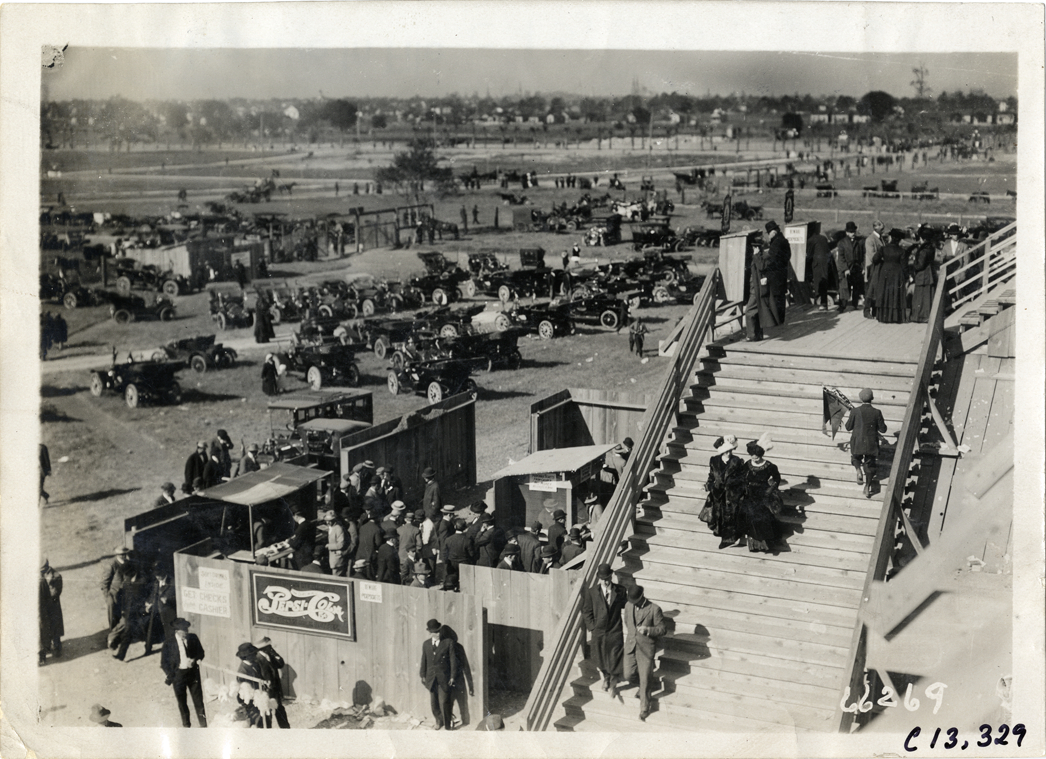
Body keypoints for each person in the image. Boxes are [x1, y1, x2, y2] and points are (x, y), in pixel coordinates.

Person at [621, 585, 665, 722]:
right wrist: (633, 636)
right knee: (628, 674)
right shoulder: (628, 605)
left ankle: (645, 708)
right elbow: (627, 622)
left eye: (636, 600)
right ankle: (643, 686)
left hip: (646, 649)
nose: (633, 603)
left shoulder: (654, 609)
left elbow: (662, 629)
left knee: (645, 678)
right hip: (630, 646)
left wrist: (648, 630)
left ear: (642, 596)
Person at [582, 563, 627, 696]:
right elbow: (586, 611)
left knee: (615, 657)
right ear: (598, 578)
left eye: (607, 578)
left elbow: (626, 605)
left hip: (614, 630)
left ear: (611, 576)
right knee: (599, 657)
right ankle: (606, 677)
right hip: (599, 631)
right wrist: (592, 627)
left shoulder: (620, 590)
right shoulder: (591, 592)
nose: (605, 581)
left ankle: (613, 682)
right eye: (603, 579)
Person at [160, 618, 207, 727]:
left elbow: (201, 653)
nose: (186, 633)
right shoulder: (169, 643)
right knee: (182, 703)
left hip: (193, 674)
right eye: (183, 631)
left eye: (187, 629)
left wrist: (194, 659)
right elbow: (164, 662)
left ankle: (204, 726)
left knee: (198, 701)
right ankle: (186, 726)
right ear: (177, 631)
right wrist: (171, 674)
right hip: (178, 676)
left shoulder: (193, 638)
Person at [704, 435, 747, 549]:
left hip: (731, 494)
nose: (729, 453)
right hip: (718, 493)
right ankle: (720, 531)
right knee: (718, 514)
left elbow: (742, 478)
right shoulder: (714, 460)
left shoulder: (736, 461)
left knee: (730, 515)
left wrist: (733, 485)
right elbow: (712, 475)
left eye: (730, 451)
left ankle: (729, 539)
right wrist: (709, 485)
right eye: (726, 451)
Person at [740, 440, 783, 553]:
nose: (754, 459)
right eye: (752, 457)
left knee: (762, 518)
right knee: (751, 517)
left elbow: (777, 479)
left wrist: (769, 490)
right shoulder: (747, 464)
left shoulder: (770, 466)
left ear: (761, 455)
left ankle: (766, 544)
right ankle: (754, 545)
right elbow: (742, 477)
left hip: (763, 494)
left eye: (757, 458)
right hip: (749, 494)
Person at [846, 388, 888, 498]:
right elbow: (883, 430)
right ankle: (867, 487)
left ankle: (858, 470)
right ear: (872, 399)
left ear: (860, 399)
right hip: (871, 443)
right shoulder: (877, 412)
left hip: (857, 442)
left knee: (855, 457)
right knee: (870, 465)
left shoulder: (855, 411)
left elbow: (848, 427)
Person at [419, 619, 457, 730]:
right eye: (435, 632)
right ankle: (438, 720)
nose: (438, 634)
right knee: (434, 703)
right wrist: (422, 675)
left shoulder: (448, 642)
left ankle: (447, 725)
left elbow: (453, 661)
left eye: (439, 631)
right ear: (430, 633)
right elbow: (424, 660)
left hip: (444, 678)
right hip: (431, 678)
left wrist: (452, 676)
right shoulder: (426, 644)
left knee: (443, 701)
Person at [873, 229, 910, 324]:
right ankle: (895, 317)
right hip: (897, 273)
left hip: (885, 272)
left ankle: (884, 316)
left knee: (885, 292)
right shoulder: (902, 251)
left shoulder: (883, 249)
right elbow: (904, 266)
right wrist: (907, 277)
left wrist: (884, 262)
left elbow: (875, 259)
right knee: (895, 294)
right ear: (899, 240)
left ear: (891, 238)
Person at [253, 635, 290, 728]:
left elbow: (280, 664)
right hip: (267, 691)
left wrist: (274, 653)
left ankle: (286, 731)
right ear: (263, 648)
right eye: (269, 646)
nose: (271, 648)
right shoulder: (258, 659)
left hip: (275, 689)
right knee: (268, 714)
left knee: (280, 711)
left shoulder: (269, 655)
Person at [100, 546, 137, 631]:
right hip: (114, 594)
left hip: (126, 593)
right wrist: (107, 597)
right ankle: (114, 635)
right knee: (114, 615)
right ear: (117, 555)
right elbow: (105, 583)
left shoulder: (129, 563)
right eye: (121, 555)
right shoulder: (112, 565)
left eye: (124, 554)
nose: (123, 556)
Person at [763, 220, 791, 325]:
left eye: (769, 233)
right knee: (781, 298)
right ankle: (781, 319)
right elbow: (788, 256)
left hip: (775, 275)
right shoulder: (784, 240)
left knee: (775, 298)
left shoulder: (776, 242)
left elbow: (772, 259)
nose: (768, 236)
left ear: (773, 232)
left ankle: (776, 320)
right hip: (782, 273)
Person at [235, 642, 266, 728]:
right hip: (250, 701)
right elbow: (246, 692)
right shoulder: (242, 672)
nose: (256, 654)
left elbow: (260, 677)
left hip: (259, 696)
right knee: (255, 721)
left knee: (264, 720)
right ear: (246, 656)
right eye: (253, 653)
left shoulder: (255, 664)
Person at [835, 221, 864, 312]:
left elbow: (863, 255)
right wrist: (845, 269)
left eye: (854, 232)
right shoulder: (842, 243)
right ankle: (842, 306)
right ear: (847, 232)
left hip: (856, 268)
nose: (853, 234)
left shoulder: (860, 242)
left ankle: (855, 304)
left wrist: (863, 267)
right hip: (846, 268)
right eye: (851, 232)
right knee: (844, 287)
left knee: (856, 287)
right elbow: (841, 258)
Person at [39, 559, 64, 665]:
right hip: (44, 606)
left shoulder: (56, 576)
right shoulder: (41, 576)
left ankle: (57, 647)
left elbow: (54, 593)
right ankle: (47, 646)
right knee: (44, 628)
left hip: (53, 607)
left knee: (55, 627)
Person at [910, 233, 938, 324]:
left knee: (920, 297)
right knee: (928, 296)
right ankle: (928, 316)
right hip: (930, 274)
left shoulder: (923, 251)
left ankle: (919, 316)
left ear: (923, 239)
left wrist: (914, 263)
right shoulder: (931, 248)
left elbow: (920, 265)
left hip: (922, 275)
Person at [807, 222, 833, 311]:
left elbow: (809, 255)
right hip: (826, 264)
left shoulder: (811, 240)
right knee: (823, 283)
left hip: (817, 265)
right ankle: (824, 304)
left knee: (818, 284)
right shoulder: (823, 238)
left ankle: (818, 305)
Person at [443, 517, 473, 591]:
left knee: (451, 582)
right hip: (464, 563)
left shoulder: (448, 539)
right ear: (465, 528)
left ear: (455, 527)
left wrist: (447, 562)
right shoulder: (467, 540)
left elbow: (444, 553)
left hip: (451, 563)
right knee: (465, 582)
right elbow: (471, 554)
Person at [863, 220, 886, 319]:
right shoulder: (870, 239)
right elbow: (872, 256)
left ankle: (875, 310)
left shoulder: (880, 238)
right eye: (882, 228)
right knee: (870, 290)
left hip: (879, 267)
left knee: (876, 289)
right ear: (876, 228)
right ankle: (866, 310)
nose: (883, 230)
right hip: (872, 268)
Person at [323, 509, 348, 577]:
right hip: (332, 558)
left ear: (334, 520)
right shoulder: (330, 527)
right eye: (326, 521)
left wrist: (329, 546)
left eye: (330, 521)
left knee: (336, 577)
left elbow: (341, 544)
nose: (328, 522)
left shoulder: (339, 529)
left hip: (337, 559)